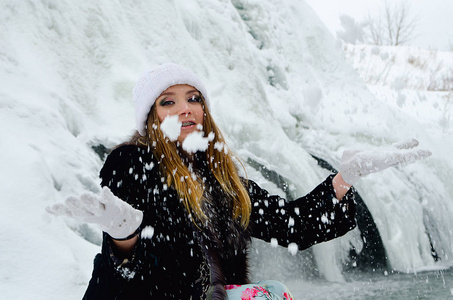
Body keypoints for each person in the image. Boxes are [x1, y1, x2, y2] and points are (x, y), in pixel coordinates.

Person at [47, 63, 431, 299]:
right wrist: (123, 237)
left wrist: (342, 181)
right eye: (168, 101)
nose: (185, 108)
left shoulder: (221, 180)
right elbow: (125, 274)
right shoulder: (130, 162)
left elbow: (291, 224)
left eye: (193, 98)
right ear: (151, 117)